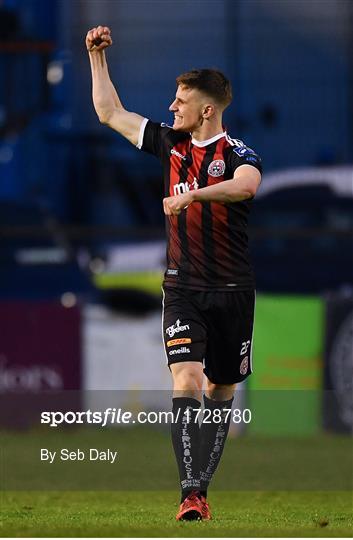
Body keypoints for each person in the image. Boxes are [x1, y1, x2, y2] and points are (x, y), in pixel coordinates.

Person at [86, 26, 262, 521]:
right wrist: (96, 59)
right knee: (185, 378)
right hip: (182, 288)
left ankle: (200, 487)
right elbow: (110, 114)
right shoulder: (170, 144)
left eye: (180, 100)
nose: (171, 107)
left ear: (207, 109)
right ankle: (191, 493)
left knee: (221, 389)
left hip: (233, 290)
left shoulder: (238, 153)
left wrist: (193, 195)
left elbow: (245, 187)